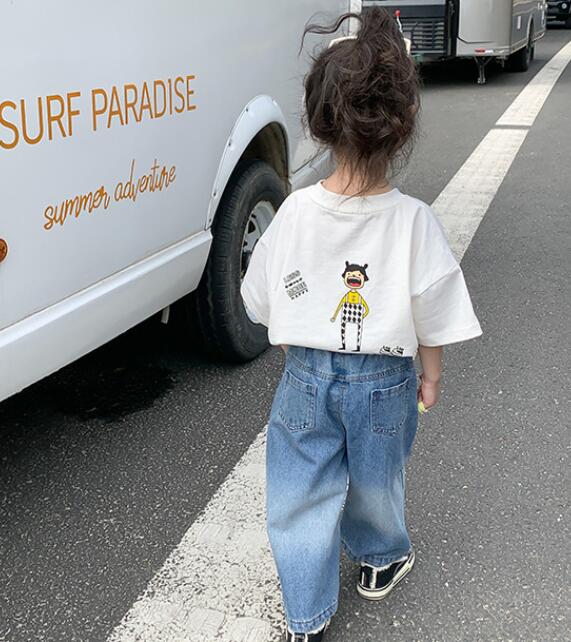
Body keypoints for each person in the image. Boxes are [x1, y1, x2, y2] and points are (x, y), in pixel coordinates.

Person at [240, 8, 482, 641]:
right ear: (401, 129)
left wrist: (294, 338)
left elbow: (262, 297)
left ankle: (305, 615)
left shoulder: (295, 212)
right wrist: (431, 376)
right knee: (378, 477)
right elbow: (432, 311)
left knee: (298, 491)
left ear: (319, 121)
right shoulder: (413, 221)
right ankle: (381, 555)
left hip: (304, 377)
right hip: (385, 380)